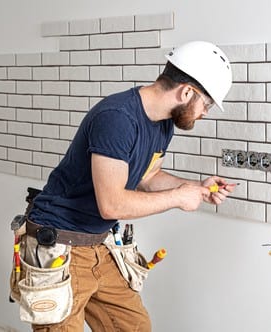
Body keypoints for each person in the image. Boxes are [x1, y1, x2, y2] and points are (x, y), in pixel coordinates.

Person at [13, 41, 235, 331]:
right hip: (58, 245)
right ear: (187, 92)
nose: (205, 112)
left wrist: (197, 188)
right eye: (206, 104)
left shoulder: (163, 122)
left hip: (97, 243)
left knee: (134, 326)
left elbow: (148, 176)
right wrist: (179, 198)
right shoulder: (118, 118)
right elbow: (112, 204)